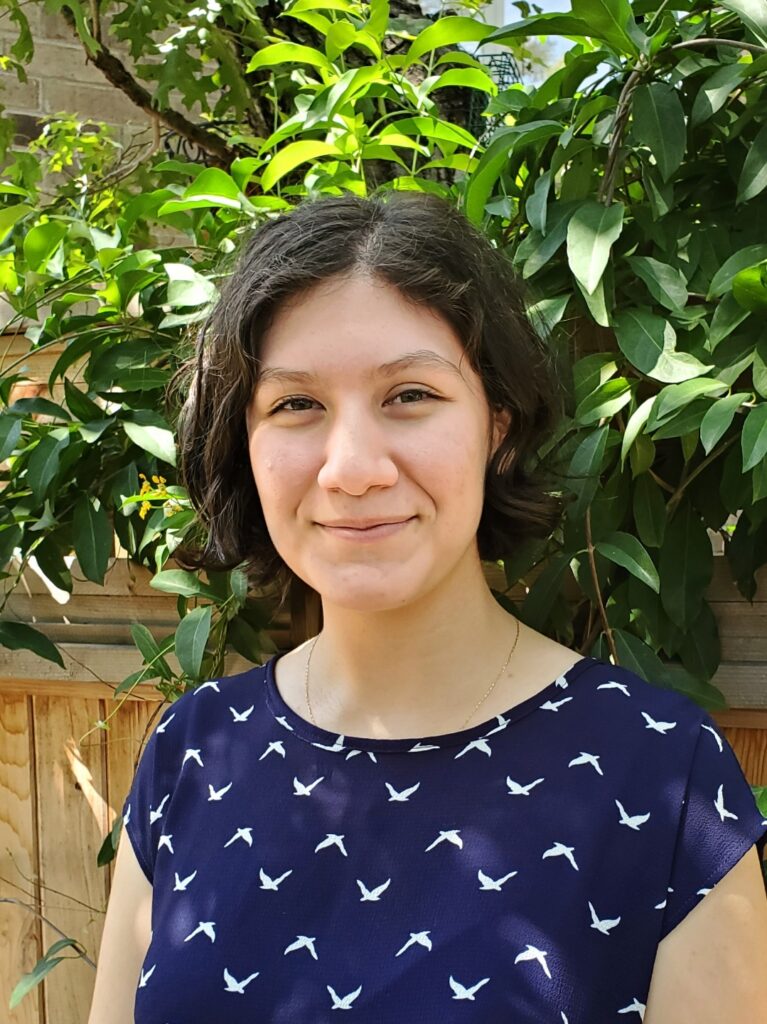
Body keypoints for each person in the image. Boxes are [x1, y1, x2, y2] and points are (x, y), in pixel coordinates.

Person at [88, 191, 767, 1024]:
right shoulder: (191, 751)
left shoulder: (664, 779)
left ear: (499, 430)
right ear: (246, 445)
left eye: (409, 394)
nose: (351, 467)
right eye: (296, 404)